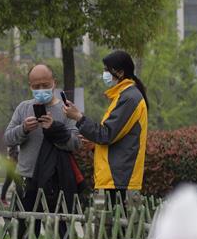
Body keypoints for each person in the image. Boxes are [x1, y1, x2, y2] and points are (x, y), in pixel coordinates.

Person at [4, 63, 80, 239]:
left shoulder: (66, 109)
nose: (41, 90)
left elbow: (75, 143)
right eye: (36, 86)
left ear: (54, 83)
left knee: (61, 232)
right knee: (26, 233)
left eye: (45, 85)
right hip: (26, 178)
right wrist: (23, 129)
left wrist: (54, 129)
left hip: (56, 180)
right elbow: (8, 138)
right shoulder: (24, 108)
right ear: (30, 86)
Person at [62, 50, 148, 209]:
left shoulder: (129, 98)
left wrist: (79, 117)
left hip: (120, 181)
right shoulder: (123, 96)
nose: (104, 73)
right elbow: (115, 136)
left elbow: (105, 134)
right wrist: (95, 144)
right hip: (114, 179)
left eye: (107, 70)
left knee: (119, 231)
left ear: (120, 72)